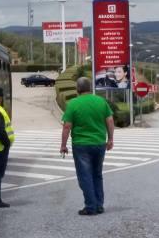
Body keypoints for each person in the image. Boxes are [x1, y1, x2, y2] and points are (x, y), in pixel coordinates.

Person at [60, 77, 115, 215]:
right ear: (90, 88)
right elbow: (109, 121)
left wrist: (63, 145)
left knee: (85, 176)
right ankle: (99, 205)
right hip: (99, 144)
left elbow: (67, 126)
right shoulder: (101, 101)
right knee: (97, 174)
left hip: (81, 145)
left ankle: (90, 206)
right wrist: (110, 139)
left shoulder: (73, 104)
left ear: (77, 89)